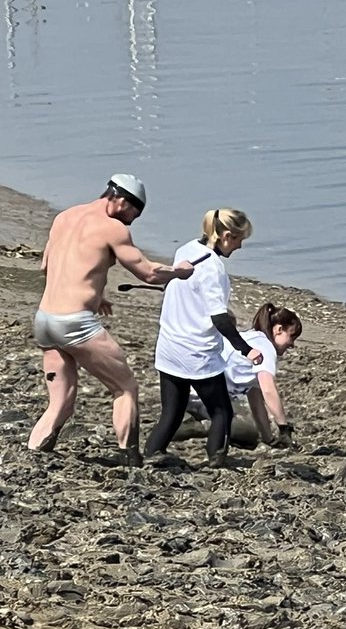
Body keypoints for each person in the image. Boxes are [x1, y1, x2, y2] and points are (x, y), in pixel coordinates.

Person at [27, 175, 194, 465]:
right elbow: (149, 273)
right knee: (125, 387)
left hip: (44, 321)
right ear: (122, 201)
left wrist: (96, 294)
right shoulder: (112, 227)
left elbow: (47, 266)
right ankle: (130, 457)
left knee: (60, 400)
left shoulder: (64, 217)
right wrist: (179, 272)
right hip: (76, 325)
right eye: (134, 214)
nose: (131, 222)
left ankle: (34, 454)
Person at [143, 209, 260, 467]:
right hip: (198, 352)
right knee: (221, 411)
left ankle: (152, 452)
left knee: (172, 411)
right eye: (240, 240)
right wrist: (246, 349)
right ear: (226, 236)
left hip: (169, 345)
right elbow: (220, 320)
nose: (240, 246)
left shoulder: (186, 249)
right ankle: (216, 460)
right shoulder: (213, 269)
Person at [176, 303, 303, 448]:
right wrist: (283, 427)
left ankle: (188, 420)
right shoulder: (265, 347)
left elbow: (256, 401)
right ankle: (193, 428)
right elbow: (268, 390)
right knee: (247, 431)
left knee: (247, 429)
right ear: (279, 329)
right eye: (292, 336)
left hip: (190, 393)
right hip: (203, 399)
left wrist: (269, 439)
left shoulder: (251, 337)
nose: (292, 344)